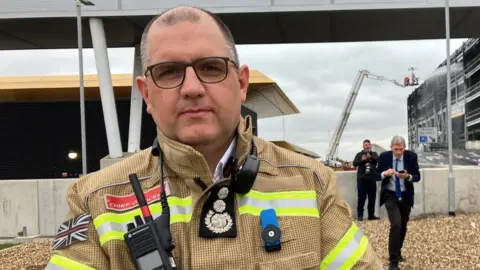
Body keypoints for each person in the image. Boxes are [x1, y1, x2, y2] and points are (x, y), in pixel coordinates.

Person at [45, 6, 382, 269]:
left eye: (211, 68)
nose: (192, 88)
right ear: (146, 95)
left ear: (241, 83)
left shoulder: (311, 183)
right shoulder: (95, 198)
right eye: (169, 72)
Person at [377, 135, 420, 270]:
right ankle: (393, 261)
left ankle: (398, 251)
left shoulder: (411, 156)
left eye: (401, 149)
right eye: (395, 149)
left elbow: (417, 176)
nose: (398, 152)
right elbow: (375, 175)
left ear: (404, 148)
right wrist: (385, 173)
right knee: (395, 224)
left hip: (405, 195)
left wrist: (408, 176)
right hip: (390, 195)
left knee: (403, 226)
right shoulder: (384, 157)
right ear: (391, 148)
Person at [353, 139, 379, 221]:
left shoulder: (374, 154)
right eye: (366, 145)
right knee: (361, 198)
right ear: (363, 146)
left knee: (372, 199)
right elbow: (354, 164)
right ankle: (360, 216)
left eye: (368, 145)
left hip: (372, 180)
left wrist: (370, 157)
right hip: (362, 180)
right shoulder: (359, 154)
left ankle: (371, 215)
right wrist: (362, 160)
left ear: (370, 145)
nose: (367, 146)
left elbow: (378, 160)